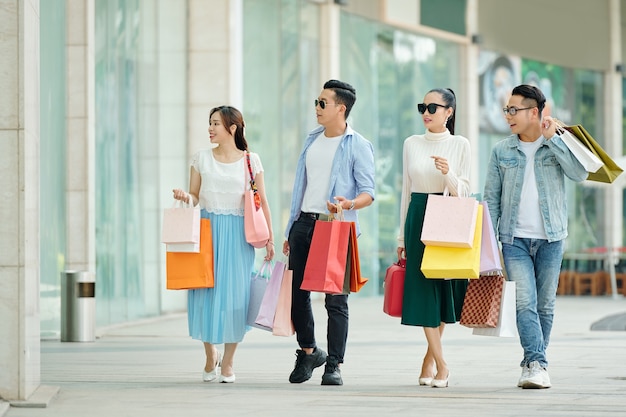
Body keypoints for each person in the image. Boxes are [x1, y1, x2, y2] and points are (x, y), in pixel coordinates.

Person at [483, 84, 587, 389]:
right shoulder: (502, 150)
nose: (508, 116)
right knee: (524, 302)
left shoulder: (554, 142)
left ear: (534, 112)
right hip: (513, 239)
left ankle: (536, 361)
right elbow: (491, 198)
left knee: (545, 305)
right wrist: (490, 243)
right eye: (507, 110)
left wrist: (553, 139)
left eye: (514, 110)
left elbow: (579, 174)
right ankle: (535, 363)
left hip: (552, 238)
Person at [282, 79, 375, 386]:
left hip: (335, 226)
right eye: (316, 102)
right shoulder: (311, 140)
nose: (317, 108)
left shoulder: (358, 145)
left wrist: (349, 204)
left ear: (341, 108)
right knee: (298, 294)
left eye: (323, 103)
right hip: (304, 223)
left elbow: (368, 192)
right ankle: (308, 350)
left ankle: (334, 363)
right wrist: (290, 227)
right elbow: (301, 187)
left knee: (335, 299)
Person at [172, 105, 275, 384]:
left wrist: (270, 239)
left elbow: (261, 201)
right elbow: (194, 196)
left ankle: (228, 362)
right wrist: (185, 197)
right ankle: (210, 355)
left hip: (239, 235)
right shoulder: (201, 159)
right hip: (206, 231)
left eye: (216, 123)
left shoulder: (251, 161)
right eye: (209, 123)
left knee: (236, 297)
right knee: (204, 293)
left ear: (232, 128)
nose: (210, 128)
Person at [396, 88, 471, 389]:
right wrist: (401, 237)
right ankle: (442, 366)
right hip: (417, 217)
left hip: (446, 216)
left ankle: (429, 360)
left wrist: (449, 173)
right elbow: (405, 191)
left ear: (449, 112)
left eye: (432, 107)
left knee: (441, 292)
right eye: (422, 107)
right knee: (423, 291)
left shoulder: (460, 144)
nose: (426, 112)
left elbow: (464, 190)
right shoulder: (411, 143)